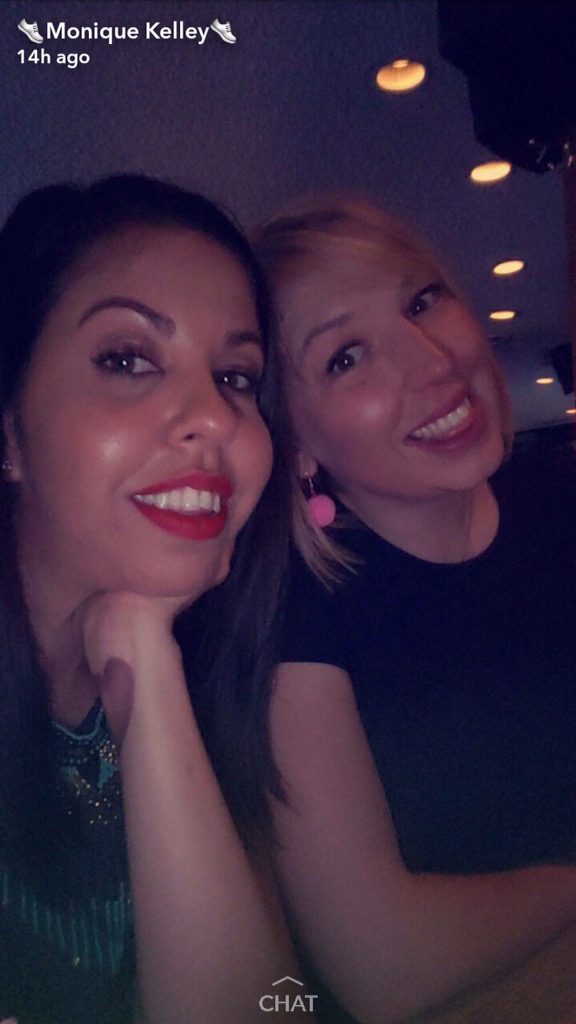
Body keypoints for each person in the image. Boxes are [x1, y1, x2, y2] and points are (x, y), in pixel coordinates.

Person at [254, 197, 576, 1024]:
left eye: (422, 300)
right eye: (346, 356)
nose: (432, 361)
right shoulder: (295, 616)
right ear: (296, 445)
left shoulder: (561, 498)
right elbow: (384, 967)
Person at [0, 174, 308, 1024]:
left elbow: (270, 1006)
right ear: (9, 433)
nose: (215, 416)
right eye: (128, 359)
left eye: (236, 376)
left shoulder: (208, 672)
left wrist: (146, 656)